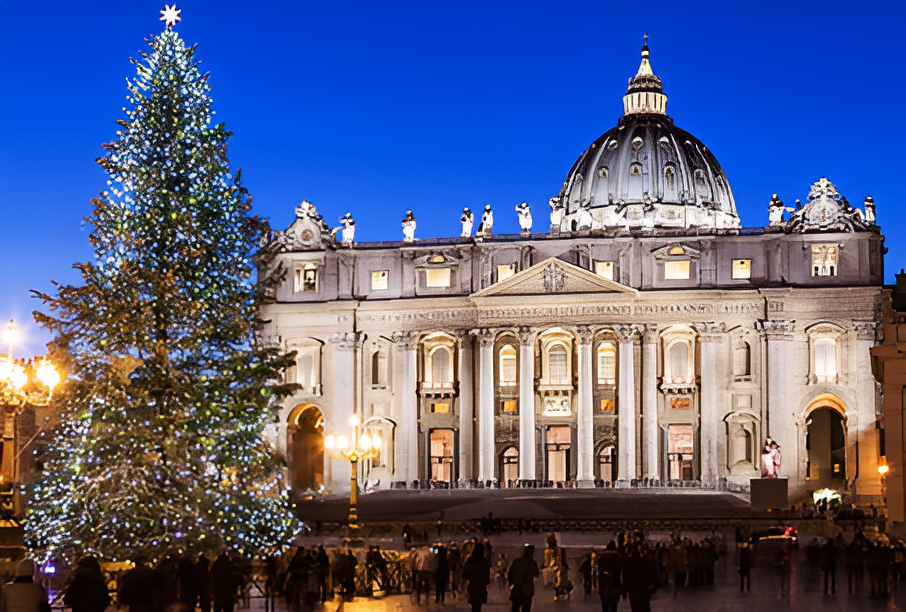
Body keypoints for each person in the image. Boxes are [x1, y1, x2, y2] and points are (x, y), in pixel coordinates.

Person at [507, 544, 539, 612]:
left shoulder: (517, 561)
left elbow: (510, 574)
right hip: (528, 590)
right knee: (526, 609)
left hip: (517, 588)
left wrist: (511, 583)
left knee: (515, 608)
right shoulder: (533, 563)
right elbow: (536, 574)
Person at [462, 546, 491, 612]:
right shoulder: (484, 561)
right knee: (478, 606)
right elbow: (486, 575)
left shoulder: (470, 560)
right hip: (481, 586)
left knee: (473, 605)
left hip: (472, 585)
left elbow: (464, 574)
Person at [596, 543, 622, 612]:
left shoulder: (601, 558)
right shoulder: (617, 558)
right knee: (614, 608)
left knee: (605, 607)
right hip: (615, 587)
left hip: (603, 587)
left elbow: (599, 571)